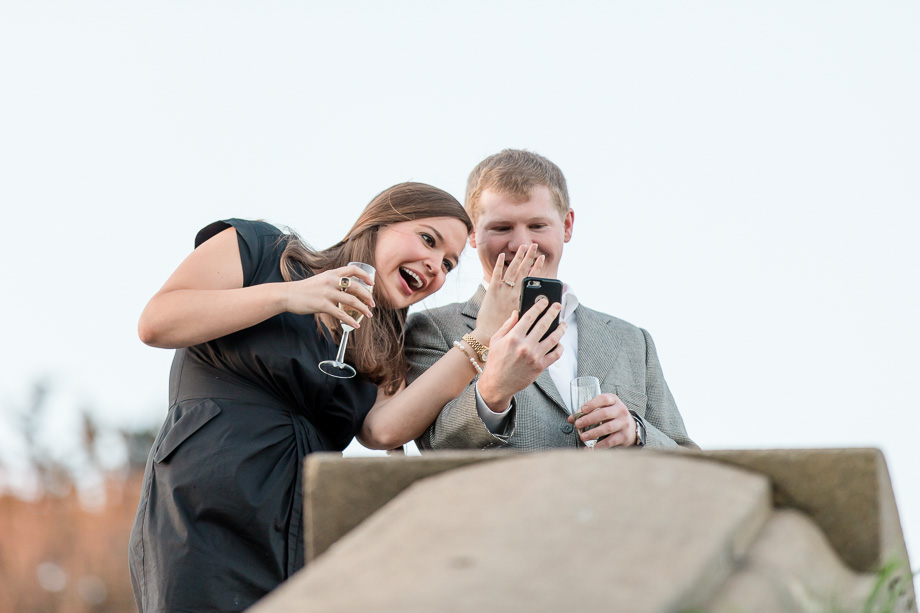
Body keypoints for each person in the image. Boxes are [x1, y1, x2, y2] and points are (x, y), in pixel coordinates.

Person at [128, 182, 478, 612]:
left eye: (448, 264)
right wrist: (289, 296)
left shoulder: (387, 345)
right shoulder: (262, 248)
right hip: (203, 517)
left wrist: (480, 343)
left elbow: (381, 431)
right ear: (379, 221)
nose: (435, 267)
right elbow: (156, 322)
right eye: (428, 240)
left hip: (305, 536)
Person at [405, 149, 698, 451]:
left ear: (567, 225)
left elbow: (690, 460)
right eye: (501, 228)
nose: (521, 244)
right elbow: (433, 449)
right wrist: (492, 392)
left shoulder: (633, 341)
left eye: (537, 226)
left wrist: (637, 432)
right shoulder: (431, 329)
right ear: (472, 233)